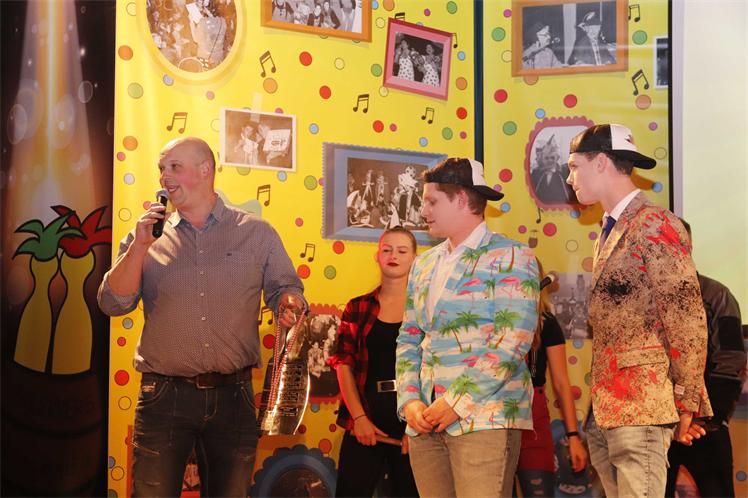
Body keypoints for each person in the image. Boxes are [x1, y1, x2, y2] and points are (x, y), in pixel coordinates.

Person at [97, 137, 306, 497]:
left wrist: (289, 302)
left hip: (235, 397)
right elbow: (113, 303)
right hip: (163, 396)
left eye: (174, 167)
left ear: (205, 169)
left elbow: (286, 288)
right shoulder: (145, 236)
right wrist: (140, 247)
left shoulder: (256, 232)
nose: (164, 176)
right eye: (162, 168)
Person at [565, 124, 712, 497]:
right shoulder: (611, 228)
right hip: (608, 410)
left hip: (641, 406)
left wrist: (687, 401)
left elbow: (686, 316)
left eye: (575, 166)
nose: (570, 178)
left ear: (601, 162)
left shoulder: (654, 223)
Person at [396, 158, 539, 497]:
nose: (423, 210)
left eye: (432, 201)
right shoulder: (423, 263)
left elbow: (512, 341)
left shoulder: (513, 256)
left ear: (461, 199)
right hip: (425, 421)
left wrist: (455, 402)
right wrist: (410, 401)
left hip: (485, 419)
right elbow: (409, 337)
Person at [328, 227, 420, 498]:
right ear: (376, 256)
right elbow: (343, 364)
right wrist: (359, 418)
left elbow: (435, 370)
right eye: (387, 250)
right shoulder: (357, 307)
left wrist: (417, 429)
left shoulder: (425, 308)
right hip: (365, 414)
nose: (393, 256)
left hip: (413, 418)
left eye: (402, 251)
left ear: (414, 258)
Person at [665, 219, 746, 498]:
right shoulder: (647, 299)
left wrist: (703, 419)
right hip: (659, 428)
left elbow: (731, 361)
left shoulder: (717, 295)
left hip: (705, 427)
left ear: (688, 245)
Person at [516, 265, 589, 497]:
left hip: (534, 420)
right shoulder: (493, 320)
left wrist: (573, 437)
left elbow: (561, 383)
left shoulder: (546, 322)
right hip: (495, 422)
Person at [530, 134, 578, 205]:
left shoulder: (565, 173)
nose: (550, 160)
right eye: (546, 158)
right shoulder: (536, 173)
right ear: (542, 159)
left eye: (552, 158)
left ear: (556, 158)